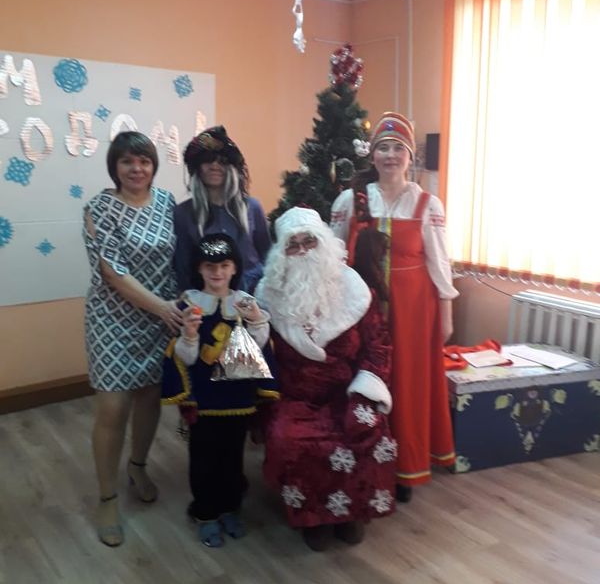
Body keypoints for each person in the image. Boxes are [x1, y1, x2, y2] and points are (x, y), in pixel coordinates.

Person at [330, 111, 458, 503]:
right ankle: (365, 462)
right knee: (363, 378)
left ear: (409, 157)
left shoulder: (427, 204)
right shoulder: (351, 200)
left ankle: (404, 466)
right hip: (362, 305)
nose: (390, 155)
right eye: (383, 148)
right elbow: (334, 253)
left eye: (397, 148)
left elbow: (439, 262)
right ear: (372, 156)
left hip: (414, 309)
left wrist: (446, 315)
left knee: (406, 382)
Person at [255, 207, 396, 552]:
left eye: (310, 241)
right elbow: (258, 352)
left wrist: (365, 393)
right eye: (293, 245)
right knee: (288, 436)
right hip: (295, 396)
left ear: (325, 244)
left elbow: (378, 345)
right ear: (282, 254)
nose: (303, 250)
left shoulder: (355, 289)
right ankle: (313, 516)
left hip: (348, 391)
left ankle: (353, 511)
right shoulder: (268, 295)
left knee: (366, 425)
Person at [83, 131, 183, 547]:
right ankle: (107, 498)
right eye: (127, 161)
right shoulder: (99, 208)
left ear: (153, 166)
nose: (136, 168)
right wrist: (161, 308)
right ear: (115, 167)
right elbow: (113, 272)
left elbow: (180, 257)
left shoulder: (167, 203)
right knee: (113, 407)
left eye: (143, 161)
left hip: (160, 320)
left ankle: (137, 466)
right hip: (113, 321)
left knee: (149, 397)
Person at [162, 233, 278, 548]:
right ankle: (205, 514)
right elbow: (184, 359)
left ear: (234, 268)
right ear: (199, 268)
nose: (217, 272)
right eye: (210, 266)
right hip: (204, 400)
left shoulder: (245, 302)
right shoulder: (188, 305)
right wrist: (189, 336)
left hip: (238, 398)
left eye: (224, 265)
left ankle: (230, 509)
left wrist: (257, 321)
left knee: (232, 458)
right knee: (203, 458)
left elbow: (259, 347)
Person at [174, 125, 271, 295]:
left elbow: (268, 257)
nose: (214, 166)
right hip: (207, 298)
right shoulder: (183, 213)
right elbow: (183, 267)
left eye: (222, 161)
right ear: (197, 167)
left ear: (232, 167)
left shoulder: (252, 207)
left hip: (253, 296)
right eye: (207, 160)